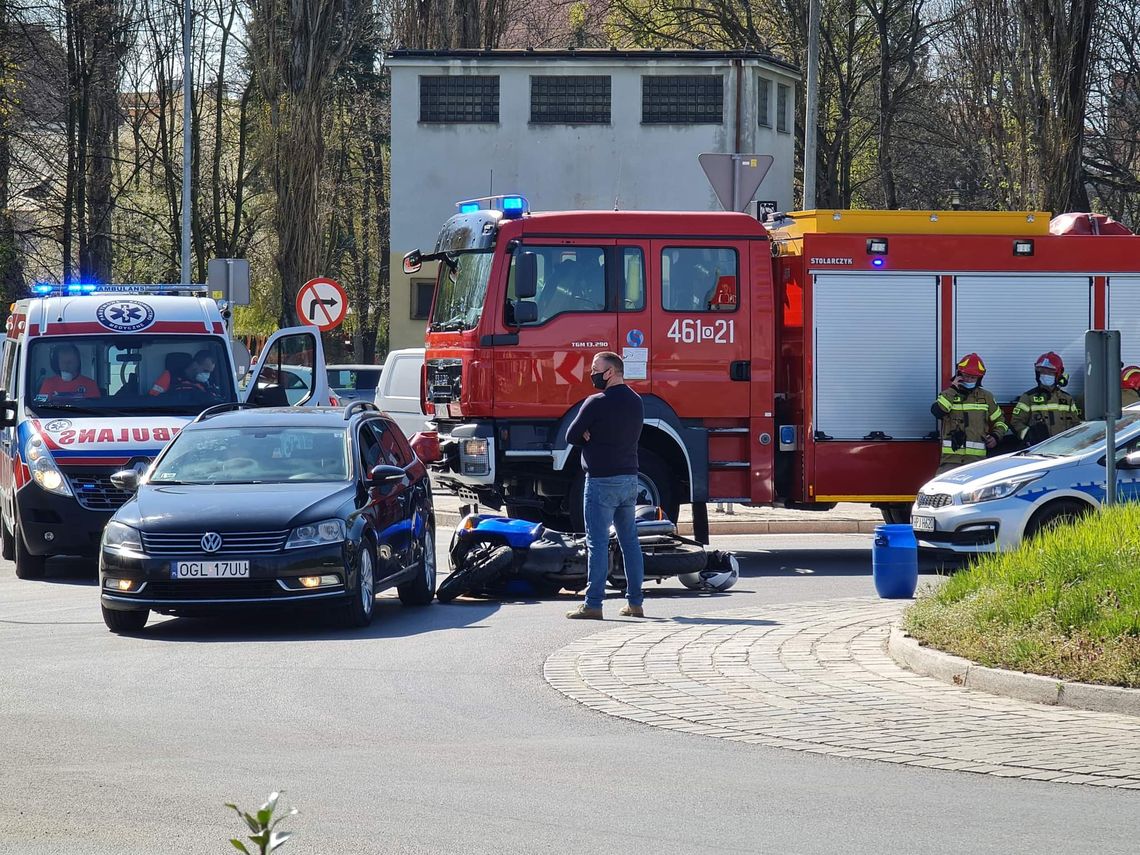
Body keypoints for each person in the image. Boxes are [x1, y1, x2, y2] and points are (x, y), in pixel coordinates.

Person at [564, 351, 645, 620]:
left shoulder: (595, 402)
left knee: (597, 544)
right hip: (630, 479)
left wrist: (589, 434)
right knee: (630, 542)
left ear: (610, 372)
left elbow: (572, 435)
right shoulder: (636, 402)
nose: (592, 374)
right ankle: (635, 602)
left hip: (600, 482)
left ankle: (593, 604)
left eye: (596, 369)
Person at [931, 353, 1008, 474]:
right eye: (966, 376)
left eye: (973, 377)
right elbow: (938, 412)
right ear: (959, 374)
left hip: (976, 462)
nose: (969, 380)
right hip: (950, 462)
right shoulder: (948, 395)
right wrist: (953, 389)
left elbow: (1001, 421)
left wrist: (996, 436)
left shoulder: (986, 397)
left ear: (979, 379)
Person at [1010, 352, 1081, 446]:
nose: (1045, 375)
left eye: (1049, 372)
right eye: (1042, 372)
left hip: (1064, 451)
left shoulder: (1067, 399)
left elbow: (1076, 425)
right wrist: (1029, 435)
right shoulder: (1028, 397)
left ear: (1058, 374)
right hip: (1038, 450)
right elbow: (1016, 422)